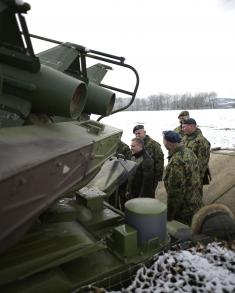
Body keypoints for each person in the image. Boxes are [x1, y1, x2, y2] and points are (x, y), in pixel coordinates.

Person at [162, 130, 202, 225]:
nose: (163, 143)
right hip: (195, 201)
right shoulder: (189, 152)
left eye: (164, 141)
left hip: (184, 208)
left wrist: (170, 214)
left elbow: (176, 191)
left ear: (170, 144)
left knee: (184, 234)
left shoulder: (176, 161)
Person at [182, 118, 211, 193]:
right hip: (184, 173)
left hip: (194, 175)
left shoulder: (202, 142)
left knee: (195, 197)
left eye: (184, 127)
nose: (182, 129)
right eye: (182, 127)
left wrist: (196, 178)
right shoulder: (185, 138)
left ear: (192, 126)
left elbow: (202, 163)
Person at [133, 125, 164, 191]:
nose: (137, 135)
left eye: (139, 133)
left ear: (144, 132)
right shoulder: (135, 144)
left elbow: (159, 163)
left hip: (150, 179)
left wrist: (157, 181)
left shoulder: (154, 145)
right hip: (138, 179)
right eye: (136, 134)